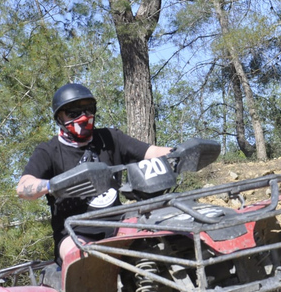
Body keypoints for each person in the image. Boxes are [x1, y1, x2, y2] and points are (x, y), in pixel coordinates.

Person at [17, 83, 171, 264]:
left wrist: (179, 152)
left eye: (89, 110)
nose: (84, 117)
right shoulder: (49, 151)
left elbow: (151, 152)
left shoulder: (110, 138)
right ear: (60, 117)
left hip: (119, 222)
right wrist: (52, 185)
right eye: (74, 113)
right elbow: (23, 187)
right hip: (74, 231)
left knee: (166, 237)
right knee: (81, 259)